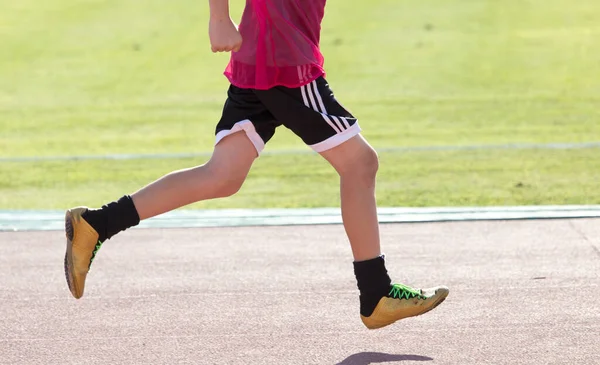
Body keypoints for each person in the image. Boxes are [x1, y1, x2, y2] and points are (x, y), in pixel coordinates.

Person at [63, 0, 448, 330]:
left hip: (265, 54)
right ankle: (375, 291)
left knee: (222, 175)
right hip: (284, 57)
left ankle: (96, 224)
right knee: (360, 164)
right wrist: (218, 16)